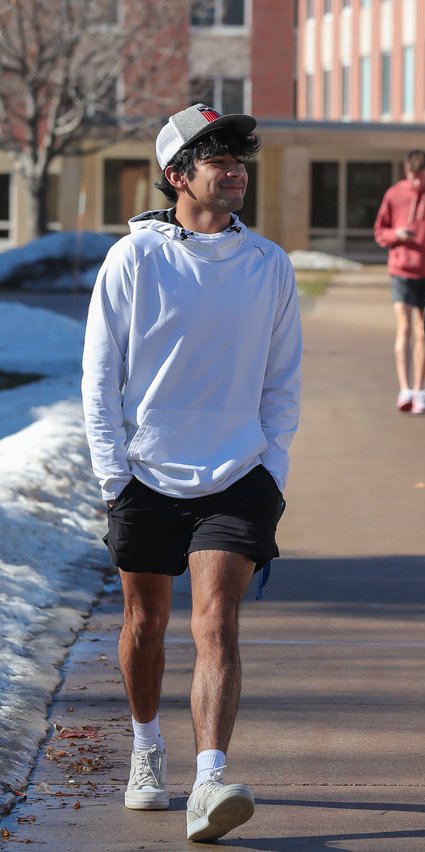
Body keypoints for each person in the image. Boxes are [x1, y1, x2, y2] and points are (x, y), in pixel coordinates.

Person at [81, 104, 301, 842]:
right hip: (145, 474)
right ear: (177, 175)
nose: (234, 167)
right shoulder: (135, 259)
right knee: (145, 624)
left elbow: (282, 379)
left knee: (217, 623)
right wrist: (115, 478)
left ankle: (210, 779)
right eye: (216, 156)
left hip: (238, 474)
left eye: (240, 155)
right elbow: (99, 378)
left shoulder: (269, 264)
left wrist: (271, 465)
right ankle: (148, 751)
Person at [374, 150, 425, 414]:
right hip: (401, 269)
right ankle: (404, 389)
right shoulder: (395, 193)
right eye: (412, 176)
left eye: (423, 176)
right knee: (404, 328)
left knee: (423, 332)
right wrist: (396, 234)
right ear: (407, 172)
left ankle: (419, 392)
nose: (417, 182)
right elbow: (380, 231)